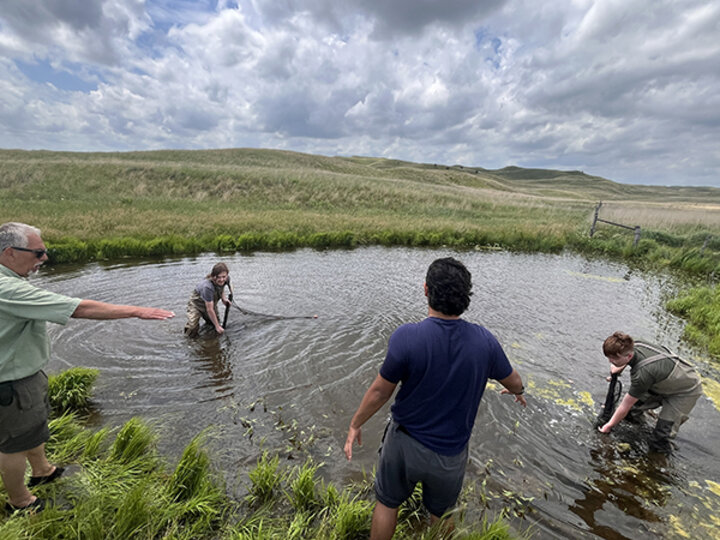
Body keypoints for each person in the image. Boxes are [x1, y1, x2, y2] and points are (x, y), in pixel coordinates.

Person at [343, 257, 526, 539]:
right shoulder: (484, 342)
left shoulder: (406, 337)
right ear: (466, 297)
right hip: (449, 454)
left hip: (403, 444)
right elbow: (513, 380)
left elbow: (380, 392)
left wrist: (356, 424)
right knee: (441, 516)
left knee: (387, 503)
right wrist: (518, 392)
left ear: (426, 290)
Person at [0, 222, 175, 513]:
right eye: (39, 252)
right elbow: (78, 308)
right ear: (9, 252)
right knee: (14, 444)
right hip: (13, 382)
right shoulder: (7, 289)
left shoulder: (11, 279)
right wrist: (136, 311)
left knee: (33, 427)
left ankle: (43, 470)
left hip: (26, 375)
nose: (44, 259)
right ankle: (20, 501)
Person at [598, 331, 703, 454]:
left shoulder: (642, 375)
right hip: (660, 382)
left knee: (660, 438)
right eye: (609, 357)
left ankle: (659, 465)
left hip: (685, 391)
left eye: (614, 358)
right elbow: (626, 357)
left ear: (629, 357)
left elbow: (625, 405)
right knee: (631, 414)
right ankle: (640, 432)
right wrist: (619, 368)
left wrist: (609, 426)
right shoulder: (632, 343)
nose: (610, 361)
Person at [183, 263, 230, 337]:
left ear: (227, 275)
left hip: (210, 303)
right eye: (219, 277)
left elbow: (222, 287)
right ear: (214, 276)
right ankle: (190, 342)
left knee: (213, 325)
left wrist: (223, 298)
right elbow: (209, 309)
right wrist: (217, 326)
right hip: (197, 305)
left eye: (224, 277)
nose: (221, 279)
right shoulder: (207, 287)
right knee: (192, 327)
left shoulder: (226, 279)